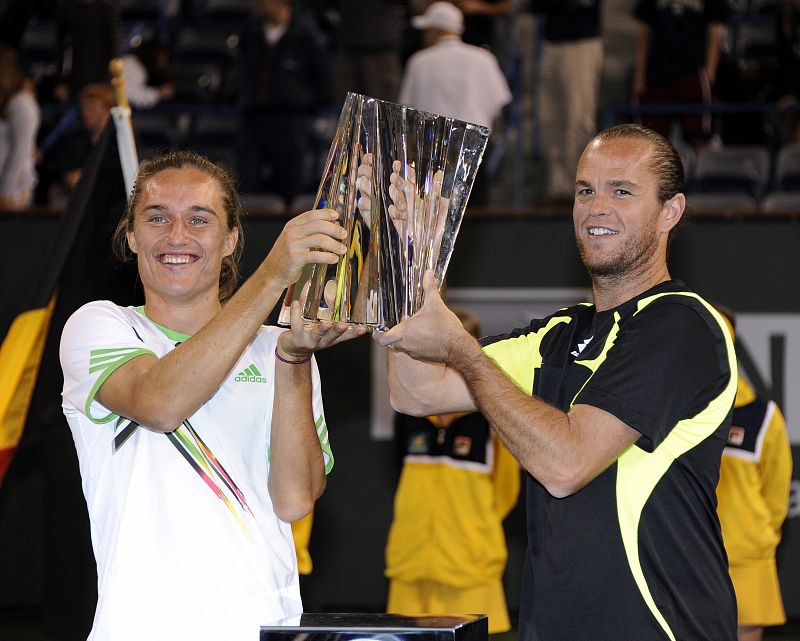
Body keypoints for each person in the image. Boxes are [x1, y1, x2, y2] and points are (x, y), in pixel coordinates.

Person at [375, 123, 738, 640]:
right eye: (585, 190)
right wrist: (411, 258)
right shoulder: (560, 334)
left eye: (622, 191)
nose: (597, 207)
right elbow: (415, 392)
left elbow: (567, 465)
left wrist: (462, 349)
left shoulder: (682, 324)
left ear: (670, 212)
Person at [59, 150, 365, 641]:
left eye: (199, 219)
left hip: (263, 628)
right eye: (157, 218)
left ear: (230, 239)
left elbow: (294, 500)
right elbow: (159, 404)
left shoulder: (276, 347)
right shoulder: (101, 326)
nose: (176, 236)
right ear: (132, 236)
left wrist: (293, 360)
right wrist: (273, 276)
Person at [385, 307, 520, 634]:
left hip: (470, 570)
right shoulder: (409, 413)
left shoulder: (493, 418)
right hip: (410, 564)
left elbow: (506, 492)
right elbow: (398, 475)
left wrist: (472, 531)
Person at [715, 307, 793, 641]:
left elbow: (777, 495)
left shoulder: (762, 415)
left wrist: (754, 542)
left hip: (746, 563)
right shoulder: (670, 410)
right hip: (684, 560)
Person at [399, 2, 510, 205]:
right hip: (473, 145)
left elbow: (407, 113)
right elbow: (499, 103)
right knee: (474, 211)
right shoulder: (483, 59)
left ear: (436, 29)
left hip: (432, 150)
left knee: (433, 213)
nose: (425, 36)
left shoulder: (419, 62)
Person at [238, 0, 332, 201]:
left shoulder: (307, 34)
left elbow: (323, 79)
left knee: (290, 185)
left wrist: (302, 100)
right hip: (254, 117)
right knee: (246, 184)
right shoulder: (250, 29)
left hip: (291, 120)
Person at [531, 0, 603, 202]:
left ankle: (581, 187)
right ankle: (558, 185)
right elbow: (535, 6)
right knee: (549, 118)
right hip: (551, 41)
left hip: (581, 41)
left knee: (578, 119)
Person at [632, 0, 728, 149]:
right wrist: (639, 78)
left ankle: (702, 171)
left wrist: (709, 75)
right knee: (650, 142)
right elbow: (644, 33)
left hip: (693, 72)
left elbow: (715, 31)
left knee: (700, 136)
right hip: (657, 75)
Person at [0, 46, 40, 209]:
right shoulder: (8, 102)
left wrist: (5, 191)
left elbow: (21, 149)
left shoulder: (21, 103)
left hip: (14, 190)